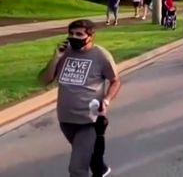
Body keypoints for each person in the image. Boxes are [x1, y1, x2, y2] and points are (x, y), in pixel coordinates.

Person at [39, 19, 121, 177]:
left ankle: (97, 165)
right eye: (71, 34)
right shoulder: (64, 52)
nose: (74, 37)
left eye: (79, 34)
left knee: (77, 168)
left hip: (88, 121)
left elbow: (115, 81)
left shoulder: (101, 55)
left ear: (91, 36)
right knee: (84, 154)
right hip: (66, 120)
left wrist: (107, 99)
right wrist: (56, 58)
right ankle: (99, 167)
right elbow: (44, 80)